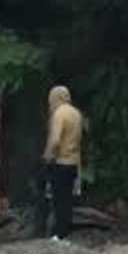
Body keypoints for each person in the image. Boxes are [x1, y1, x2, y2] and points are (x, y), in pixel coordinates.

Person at [36, 85, 84, 240]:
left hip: (60, 162)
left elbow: (55, 140)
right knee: (67, 199)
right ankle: (65, 232)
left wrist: (47, 156)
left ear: (55, 98)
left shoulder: (59, 114)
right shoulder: (76, 113)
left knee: (56, 199)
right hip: (74, 162)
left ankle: (57, 233)